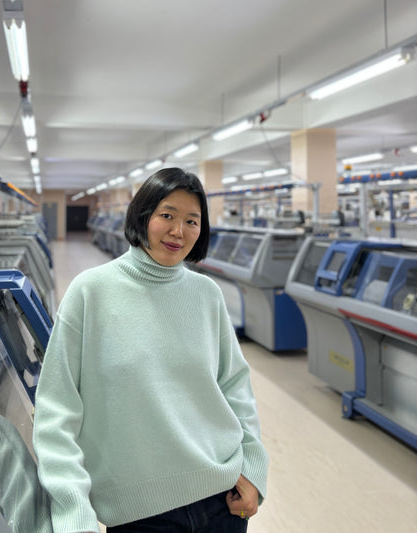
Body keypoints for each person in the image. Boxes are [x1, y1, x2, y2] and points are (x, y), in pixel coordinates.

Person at [33, 167, 269, 533]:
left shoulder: (206, 294)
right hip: (138, 514)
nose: (179, 231)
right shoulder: (91, 292)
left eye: (192, 220)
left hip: (222, 501)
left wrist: (253, 468)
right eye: (167, 216)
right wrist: (73, 513)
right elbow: (56, 411)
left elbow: (235, 385)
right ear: (142, 216)